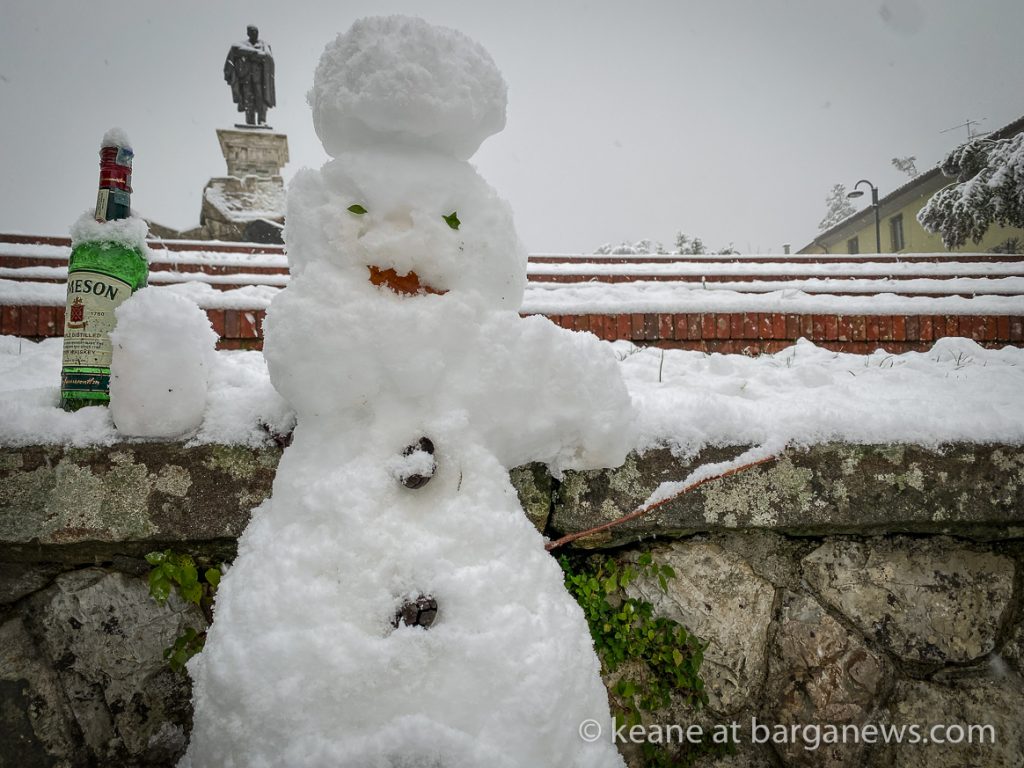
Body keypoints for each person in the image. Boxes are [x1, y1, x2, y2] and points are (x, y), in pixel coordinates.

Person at [224, 25, 275, 127]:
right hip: (246, 78)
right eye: (252, 32)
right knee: (248, 100)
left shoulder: (264, 45)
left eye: (256, 32)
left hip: (259, 80)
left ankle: (262, 120)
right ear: (248, 33)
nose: (254, 34)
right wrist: (255, 54)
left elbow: (266, 57)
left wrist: (249, 55)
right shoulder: (241, 45)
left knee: (261, 100)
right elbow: (235, 51)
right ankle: (250, 122)